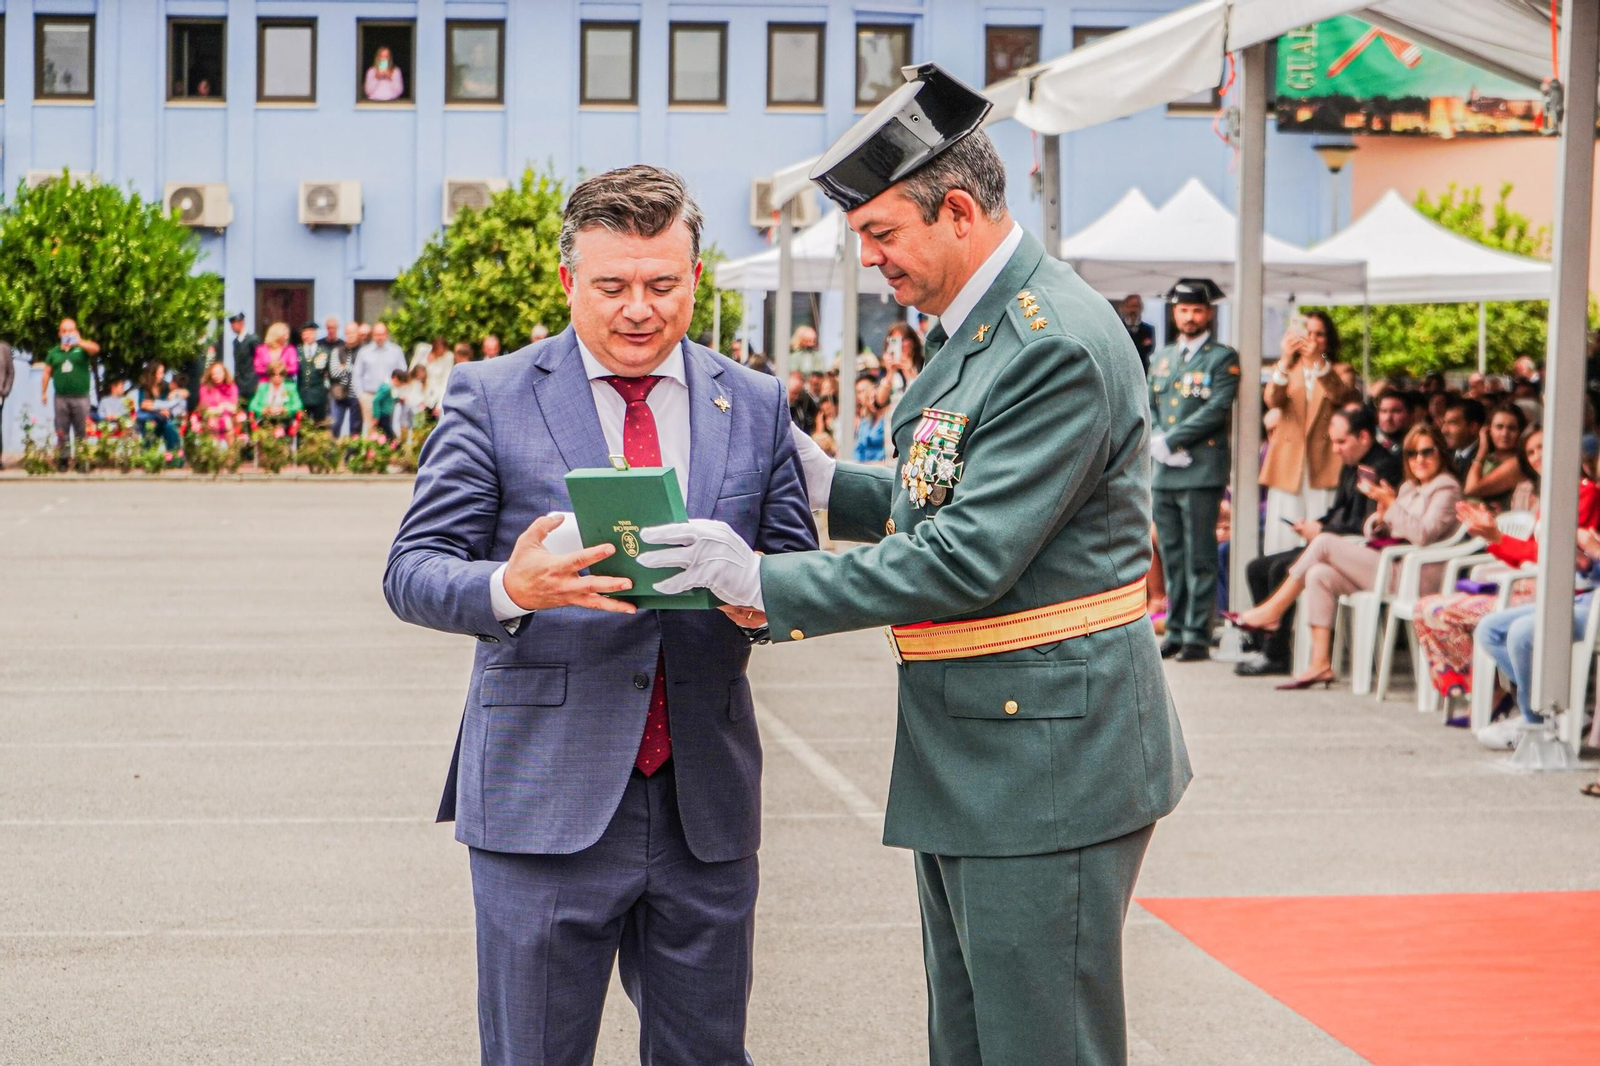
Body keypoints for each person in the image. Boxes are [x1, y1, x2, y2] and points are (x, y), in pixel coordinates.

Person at [636, 65, 1189, 1066]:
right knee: (972, 1039)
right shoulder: (985, 330)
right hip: (992, 742)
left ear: (961, 211)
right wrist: (821, 481)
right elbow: (934, 497)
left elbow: (966, 555)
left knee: (1039, 1043)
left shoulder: (1046, 343)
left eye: (883, 234)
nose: (873, 258)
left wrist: (762, 582)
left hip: (1046, 757)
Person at [384, 164, 816, 1065]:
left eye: (662, 285)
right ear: (567, 281)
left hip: (705, 801)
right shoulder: (491, 396)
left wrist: (753, 590)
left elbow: (799, 577)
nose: (638, 310)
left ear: (697, 277)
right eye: (612, 285)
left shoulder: (758, 401)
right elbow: (412, 570)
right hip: (543, 800)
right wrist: (513, 587)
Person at [1227, 423, 1462, 690]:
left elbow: (1422, 534)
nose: (1419, 460)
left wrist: (1391, 504)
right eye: (1411, 453)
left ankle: (1274, 610)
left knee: (1325, 542)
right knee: (1319, 574)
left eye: (1427, 452)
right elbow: (1381, 531)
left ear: (1441, 453)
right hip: (1390, 564)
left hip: (1416, 576)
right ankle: (1319, 663)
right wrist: (1380, 518)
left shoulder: (1446, 489)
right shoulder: (1410, 487)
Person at [1414, 427, 1600, 708]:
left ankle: (1509, 696)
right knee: (1425, 607)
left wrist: (1497, 538)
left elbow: (1554, 555)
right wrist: (1494, 538)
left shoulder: (1583, 494)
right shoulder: (1552, 496)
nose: (1537, 456)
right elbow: (1535, 553)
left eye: (1542, 448)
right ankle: (1493, 693)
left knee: (1440, 611)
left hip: (1562, 592)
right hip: (1533, 583)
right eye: (1530, 452)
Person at [1234, 405, 1401, 677]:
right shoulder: (1350, 465)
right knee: (1257, 567)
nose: (1335, 449)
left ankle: (1275, 651)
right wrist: (1315, 525)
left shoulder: (1384, 468)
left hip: (1353, 547)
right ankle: (1264, 643)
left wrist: (1322, 530)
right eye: (1333, 442)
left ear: (1364, 437)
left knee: (1281, 570)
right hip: (1333, 540)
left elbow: (1371, 524)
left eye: (1340, 442)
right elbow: (1339, 510)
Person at [1147, 277, 1241, 662]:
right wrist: (1157, 439)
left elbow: (1216, 408)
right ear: (1175, 313)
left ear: (1209, 313)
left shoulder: (1222, 358)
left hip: (1201, 468)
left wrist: (1174, 440)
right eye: (1184, 310)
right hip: (1166, 471)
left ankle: (1198, 635)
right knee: (1171, 555)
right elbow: (1149, 401)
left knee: (1199, 554)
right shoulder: (1163, 357)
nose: (1190, 316)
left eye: (1197, 310)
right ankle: (1177, 628)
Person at [1474, 526, 1600, 751]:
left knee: (1522, 632)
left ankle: (1536, 726)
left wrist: (1595, 551)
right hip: (1587, 600)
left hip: (1595, 611)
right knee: (1489, 629)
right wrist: (1586, 563)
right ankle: (1558, 710)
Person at [1259, 311, 1358, 554]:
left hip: (1323, 460)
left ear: (1329, 339)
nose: (1313, 339)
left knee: (1317, 525)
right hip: (1289, 460)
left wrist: (1318, 363)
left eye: (1320, 334)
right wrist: (1284, 357)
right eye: (1308, 333)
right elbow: (1272, 399)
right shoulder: (1287, 369)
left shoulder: (1340, 369)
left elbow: (1340, 395)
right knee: (1284, 535)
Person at [38, 318, 101, 468]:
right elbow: (47, 372)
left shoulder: (81, 350)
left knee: (81, 430)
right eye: (64, 331)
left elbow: (95, 349)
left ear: (76, 332)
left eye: (70, 330)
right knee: (61, 429)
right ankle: (63, 460)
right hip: (61, 398)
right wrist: (43, 392)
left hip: (81, 397)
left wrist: (79, 342)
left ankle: (81, 461)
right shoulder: (54, 352)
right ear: (59, 333)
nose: (67, 333)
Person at [1464, 401, 1530, 512]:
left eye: (1512, 428)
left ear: (1520, 432)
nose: (1505, 433)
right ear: (1489, 430)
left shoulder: (1517, 463)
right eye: (1499, 427)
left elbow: (1471, 489)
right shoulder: (1489, 458)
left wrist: (1482, 450)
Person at [355, 322, 407, 432]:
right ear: (373, 335)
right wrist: (360, 395)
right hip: (369, 395)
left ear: (387, 335)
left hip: (389, 396)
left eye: (382, 334)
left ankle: (388, 449)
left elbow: (403, 373)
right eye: (377, 334)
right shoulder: (364, 352)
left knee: (388, 428)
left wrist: (400, 392)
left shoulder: (396, 351)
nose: (380, 337)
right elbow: (357, 374)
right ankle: (369, 449)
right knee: (370, 428)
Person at [874, 320, 923, 425]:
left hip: (917, 422)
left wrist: (909, 371)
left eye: (903, 339)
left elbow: (925, 393)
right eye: (894, 341)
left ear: (913, 342)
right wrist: (890, 373)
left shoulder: (923, 363)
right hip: (894, 424)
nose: (900, 345)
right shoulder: (886, 370)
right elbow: (879, 402)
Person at [135, 360, 184, 455]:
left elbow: (183, 393)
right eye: (159, 373)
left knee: (170, 427)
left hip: (163, 419)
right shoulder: (144, 387)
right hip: (149, 419)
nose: (162, 375)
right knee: (149, 427)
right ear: (152, 373)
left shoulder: (166, 386)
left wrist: (175, 392)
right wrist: (159, 409)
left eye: (162, 372)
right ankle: (147, 456)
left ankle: (174, 457)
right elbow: (143, 404)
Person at [329, 322, 363, 437]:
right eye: (348, 332)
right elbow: (334, 372)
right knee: (335, 424)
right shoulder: (337, 351)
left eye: (353, 332)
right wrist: (352, 368)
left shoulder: (363, 351)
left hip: (356, 393)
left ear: (358, 334)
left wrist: (344, 367)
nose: (350, 335)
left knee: (355, 427)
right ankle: (333, 452)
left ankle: (352, 453)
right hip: (339, 393)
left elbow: (361, 372)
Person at [1439, 395, 1487, 476]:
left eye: (1452, 423)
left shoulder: (1486, 459)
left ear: (1473, 427)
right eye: (1444, 422)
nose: (1444, 430)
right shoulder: (1443, 455)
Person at [248, 360, 303, 427]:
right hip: (266, 420)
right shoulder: (262, 387)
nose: (277, 377)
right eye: (273, 374)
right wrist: (264, 410)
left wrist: (285, 409)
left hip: (285, 421)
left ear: (284, 375)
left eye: (280, 374)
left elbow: (298, 405)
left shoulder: (290, 387)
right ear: (269, 375)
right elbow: (252, 405)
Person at [295, 321, 330, 425]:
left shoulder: (324, 351)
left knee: (319, 425)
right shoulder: (297, 351)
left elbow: (329, 373)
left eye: (311, 333)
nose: (308, 336)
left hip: (319, 396)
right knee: (303, 425)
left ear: (315, 334)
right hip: (302, 396)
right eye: (305, 333)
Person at [196, 361, 242, 438]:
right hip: (211, 420)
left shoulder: (232, 387)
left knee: (228, 422)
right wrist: (219, 409)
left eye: (219, 373)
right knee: (212, 423)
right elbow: (204, 408)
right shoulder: (204, 388)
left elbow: (234, 407)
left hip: (229, 420)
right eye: (214, 374)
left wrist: (223, 407)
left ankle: (231, 449)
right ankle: (214, 448)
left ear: (224, 373)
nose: (216, 376)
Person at [1116, 294, 1155, 372]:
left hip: (1142, 370)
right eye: (1130, 306)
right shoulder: (1117, 328)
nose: (1132, 310)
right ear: (1124, 308)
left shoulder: (1148, 329)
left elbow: (1149, 349)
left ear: (1141, 309)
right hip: (1123, 370)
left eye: (1135, 306)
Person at [1374, 388, 1414, 461]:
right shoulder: (1368, 442)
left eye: (1395, 411)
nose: (1388, 418)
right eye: (1383, 411)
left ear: (1410, 414)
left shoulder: (1418, 442)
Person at [228, 312, 260, 404]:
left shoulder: (253, 340)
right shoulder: (235, 342)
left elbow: (259, 359)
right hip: (239, 382)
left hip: (251, 381)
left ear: (241, 323)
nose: (232, 327)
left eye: (233, 324)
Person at [853, 374, 886, 462]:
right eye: (869, 399)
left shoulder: (887, 420)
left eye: (875, 398)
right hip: (864, 467)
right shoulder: (865, 421)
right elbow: (859, 448)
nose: (872, 402)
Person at [417, 336, 453, 414]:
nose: (443, 353)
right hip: (419, 391)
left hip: (435, 394)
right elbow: (413, 371)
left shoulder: (448, 357)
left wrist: (439, 404)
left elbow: (445, 381)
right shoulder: (423, 351)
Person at [371, 368, 403, 440]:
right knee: (389, 435)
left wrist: (397, 399)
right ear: (395, 378)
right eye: (400, 382)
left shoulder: (390, 387)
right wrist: (376, 416)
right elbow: (376, 400)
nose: (400, 385)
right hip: (383, 415)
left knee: (385, 435)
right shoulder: (387, 387)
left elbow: (389, 400)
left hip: (387, 415)